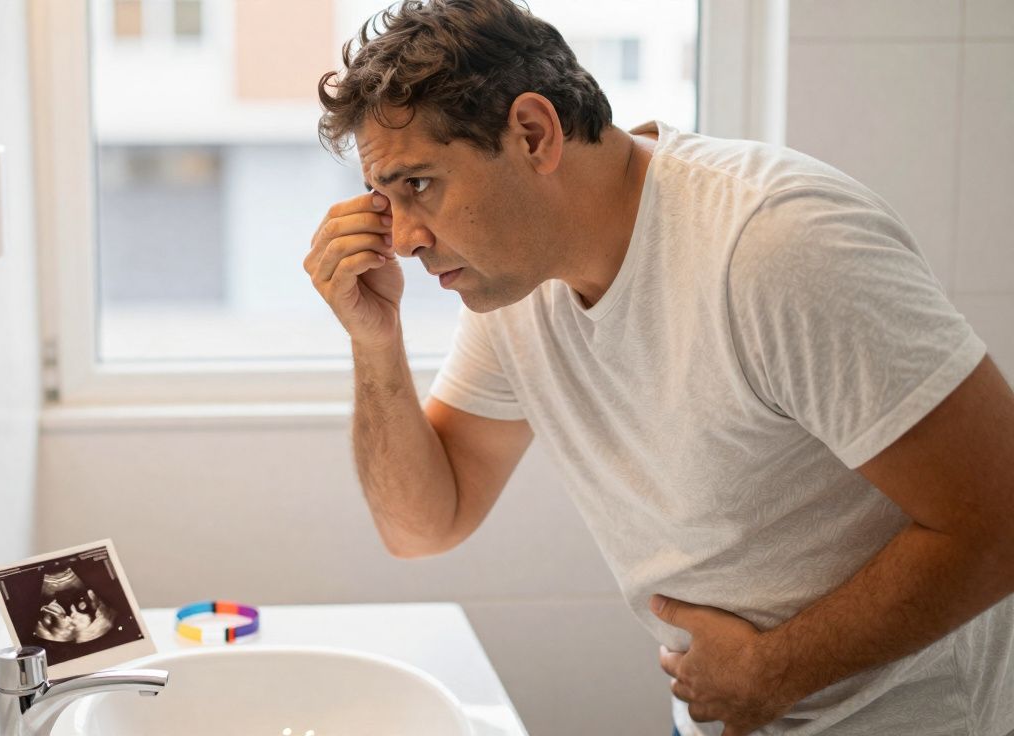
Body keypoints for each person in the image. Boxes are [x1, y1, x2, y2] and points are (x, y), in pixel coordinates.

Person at [302, 1, 1014, 734]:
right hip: (722, 712)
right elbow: (423, 526)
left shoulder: (775, 245)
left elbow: (1001, 516)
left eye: (418, 185)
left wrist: (773, 671)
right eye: (385, 199)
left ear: (532, 134)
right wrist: (374, 342)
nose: (406, 239)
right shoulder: (516, 285)